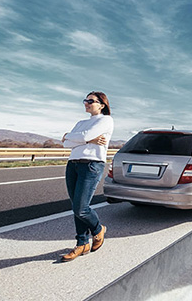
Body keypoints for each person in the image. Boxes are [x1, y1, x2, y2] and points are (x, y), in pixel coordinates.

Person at [60, 91, 114, 262]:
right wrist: (86, 140)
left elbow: (82, 136)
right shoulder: (81, 122)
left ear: (102, 104)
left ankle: (98, 230)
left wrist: (74, 137)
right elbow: (66, 143)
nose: (86, 103)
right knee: (76, 206)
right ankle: (81, 243)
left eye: (91, 101)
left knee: (81, 208)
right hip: (73, 164)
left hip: (91, 165)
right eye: (85, 100)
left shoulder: (106, 120)